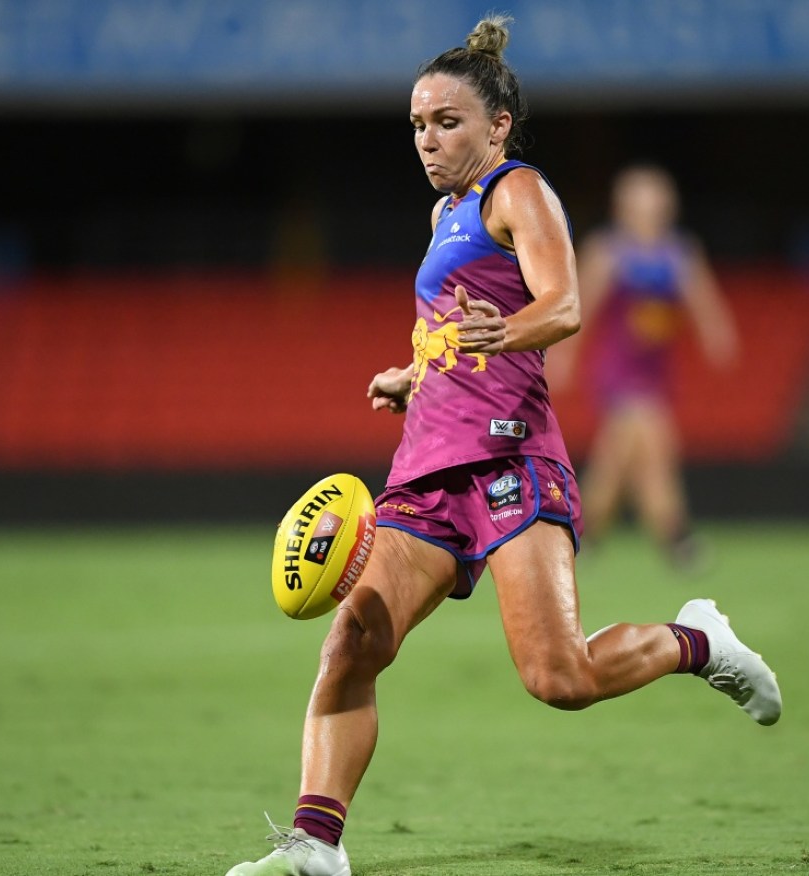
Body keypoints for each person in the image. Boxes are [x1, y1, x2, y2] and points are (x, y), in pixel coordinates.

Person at [226, 17, 780, 876]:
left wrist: (502, 333)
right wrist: (413, 373)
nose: (426, 139)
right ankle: (314, 845)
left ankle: (696, 641)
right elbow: (452, 326)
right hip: (426, 465)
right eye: (416, 124)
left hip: (512, 458)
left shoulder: (517, 192)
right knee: (352, 642)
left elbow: (563, 308)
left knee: (557, 680)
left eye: (445, 122)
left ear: (497, 128)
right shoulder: (445, 211)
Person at [550, 164, 741, 568]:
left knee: (617, 461)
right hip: (617, 370)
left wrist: (717, 332)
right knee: (656, 445)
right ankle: (677, 538)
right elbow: (580, 306)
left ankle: (581, 535)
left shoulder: (679, 253)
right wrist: (565, 354)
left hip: (655, 372)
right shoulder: (609, 251)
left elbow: (703, 300)